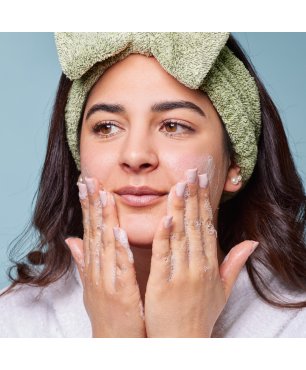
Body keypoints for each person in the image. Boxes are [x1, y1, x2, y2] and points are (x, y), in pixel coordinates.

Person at [0, 32, 305, 338]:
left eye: (173, 126)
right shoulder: (13, 324)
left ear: (235, 164)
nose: (135, 156)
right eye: (106, 127)